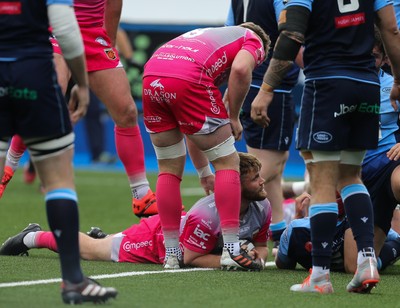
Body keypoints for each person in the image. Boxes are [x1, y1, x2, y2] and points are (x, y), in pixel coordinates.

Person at [250, 0, 400, 294]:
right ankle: (367, 259)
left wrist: (266, 88)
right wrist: (399, 78)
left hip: (327, 84)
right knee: (350, 176)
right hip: (366, 85)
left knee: (322, 179)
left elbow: (292, 33)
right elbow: (391, 28)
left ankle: (319, 276)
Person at [0, 0, 117, 304]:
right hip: (34, 74)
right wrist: (83, 82)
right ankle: (72, 280)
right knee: (58, 182)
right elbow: (65, 29)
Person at [0, 0, 156, 218]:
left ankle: (142, 195)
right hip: (53, 27)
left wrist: (108, 42)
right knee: (48, 95)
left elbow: (114, 3)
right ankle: (8, 167)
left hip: (92, 33)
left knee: (127, 111)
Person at [141, 22, 270, 270]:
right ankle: (231, 250)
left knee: (168, 168)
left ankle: (171, 255)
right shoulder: (253, 38)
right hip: (187, 77)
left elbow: (193, 129)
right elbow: (242, 70)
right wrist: (233, 115)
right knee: (228, 162)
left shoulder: (214, 35)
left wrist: (204, 174)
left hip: (152, 76)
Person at [0, 153, 271, 269]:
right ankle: (31, 237)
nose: (262, 182)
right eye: (255, 178)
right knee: (91, 252)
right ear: (235, 185)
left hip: (179, 233)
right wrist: (236, 261)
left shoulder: (263, 206)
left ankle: (105, 237)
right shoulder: (206, 214)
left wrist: (255, 259)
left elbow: (261, 246)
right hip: (157, 242)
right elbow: (190, 258)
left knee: (105, 243)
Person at [225, 0, 301, 251]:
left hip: (249, 82)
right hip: (270, 87)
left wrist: (231, 88)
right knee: (270, 165)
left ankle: (277, 231)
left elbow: (230, 33)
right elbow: (292, 33)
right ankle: (220, 218)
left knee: (272, 170)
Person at [276, 193, 400, 274]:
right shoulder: (296, 229)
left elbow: (284, 263)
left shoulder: (296, 229)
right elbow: (284, 263)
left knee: (358, 266)